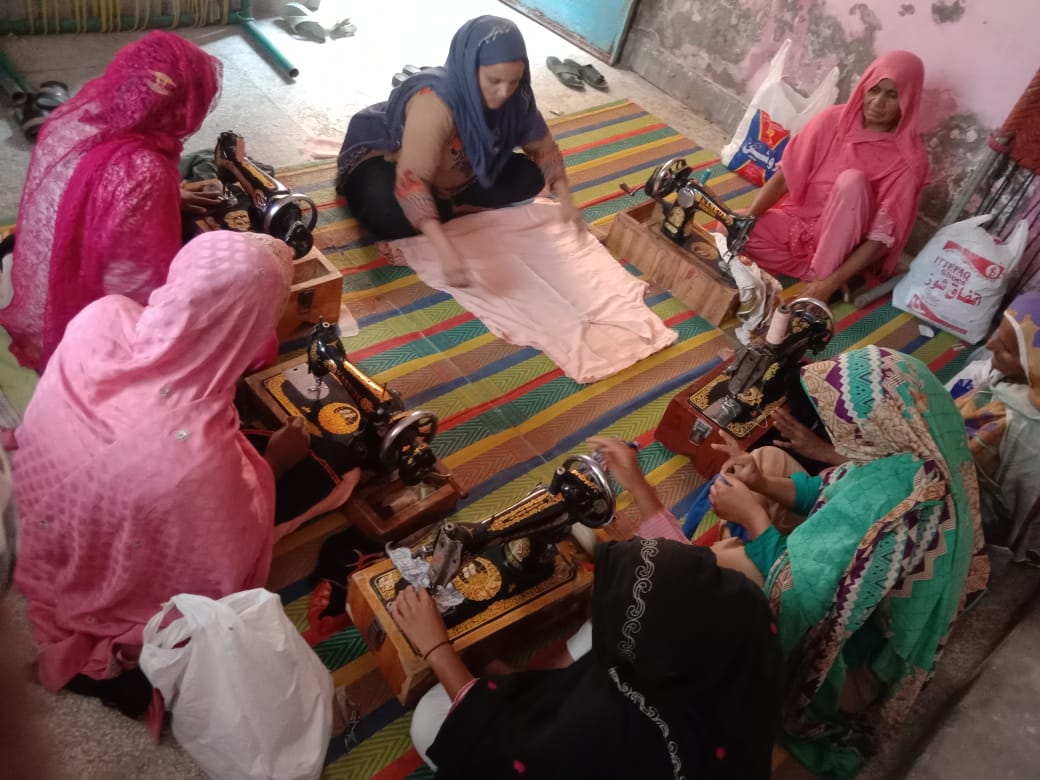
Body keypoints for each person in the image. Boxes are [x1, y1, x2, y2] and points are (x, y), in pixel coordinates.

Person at [594, 346, 989, 777]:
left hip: (844, 667)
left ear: (880, 420)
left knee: (720, 566)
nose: (840, 425)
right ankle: (728, 542)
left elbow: (803, 598)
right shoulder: (910, 454)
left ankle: (687, 560)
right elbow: (826, 492)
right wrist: (759, 481)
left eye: (847, 417)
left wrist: (753, 519)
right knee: (767, 461)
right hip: (837, 586)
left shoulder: (898, 502)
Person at [10, 231, 309, 718]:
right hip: (114, 524)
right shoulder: (199, 463)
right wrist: (275, 462)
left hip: (26, 506)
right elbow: (222, 561)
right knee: (297, 475)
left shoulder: (101, 317)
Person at [391, 535, 784, 779]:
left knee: (430, 718)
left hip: (563, 759)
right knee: (611, 628)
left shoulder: (597, 727)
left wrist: (436, 648)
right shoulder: (739, 637)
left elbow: (511, 751)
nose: (717, 549)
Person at [0, 31, 223, 372]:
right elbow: (131, 288)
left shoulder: (75, 117)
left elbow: (81, 192)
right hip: (78, 326)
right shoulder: (147, 171)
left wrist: (165, 199)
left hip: (29, 279)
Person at [336, 15, 579, 287]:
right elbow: (411, 180)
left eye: (513, 82)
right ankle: (448, 206)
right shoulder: (434, 102)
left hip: (461, 171)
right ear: (469, 67)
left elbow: (543, 147)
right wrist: (446, 250)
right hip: (390, 162)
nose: (503, 93)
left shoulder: (517, 98)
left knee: (530, 177)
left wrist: (568, 200)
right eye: (494, 80)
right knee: (384, 212)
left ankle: (449, 203)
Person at [742, 51, 929, 303]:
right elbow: (785, 177)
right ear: (863, 87)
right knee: (730, 229)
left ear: (907, 100)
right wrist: (745, 221)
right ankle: (815, 274)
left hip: (842, 244)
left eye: (892, 95)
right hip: (801, 224)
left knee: (851, 182)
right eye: (874, 90)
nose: (877, 102)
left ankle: (827, 275)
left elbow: (878, 240)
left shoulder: (908, 160)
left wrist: (830, 283)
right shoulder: (831, 120)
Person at [954, 291, 1040, 563]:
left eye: (1006, 348)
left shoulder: (1027, 433)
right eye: (997, 333)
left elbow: (1026, 505)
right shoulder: (1003, 373)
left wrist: (1014, 550)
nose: (990, 345)